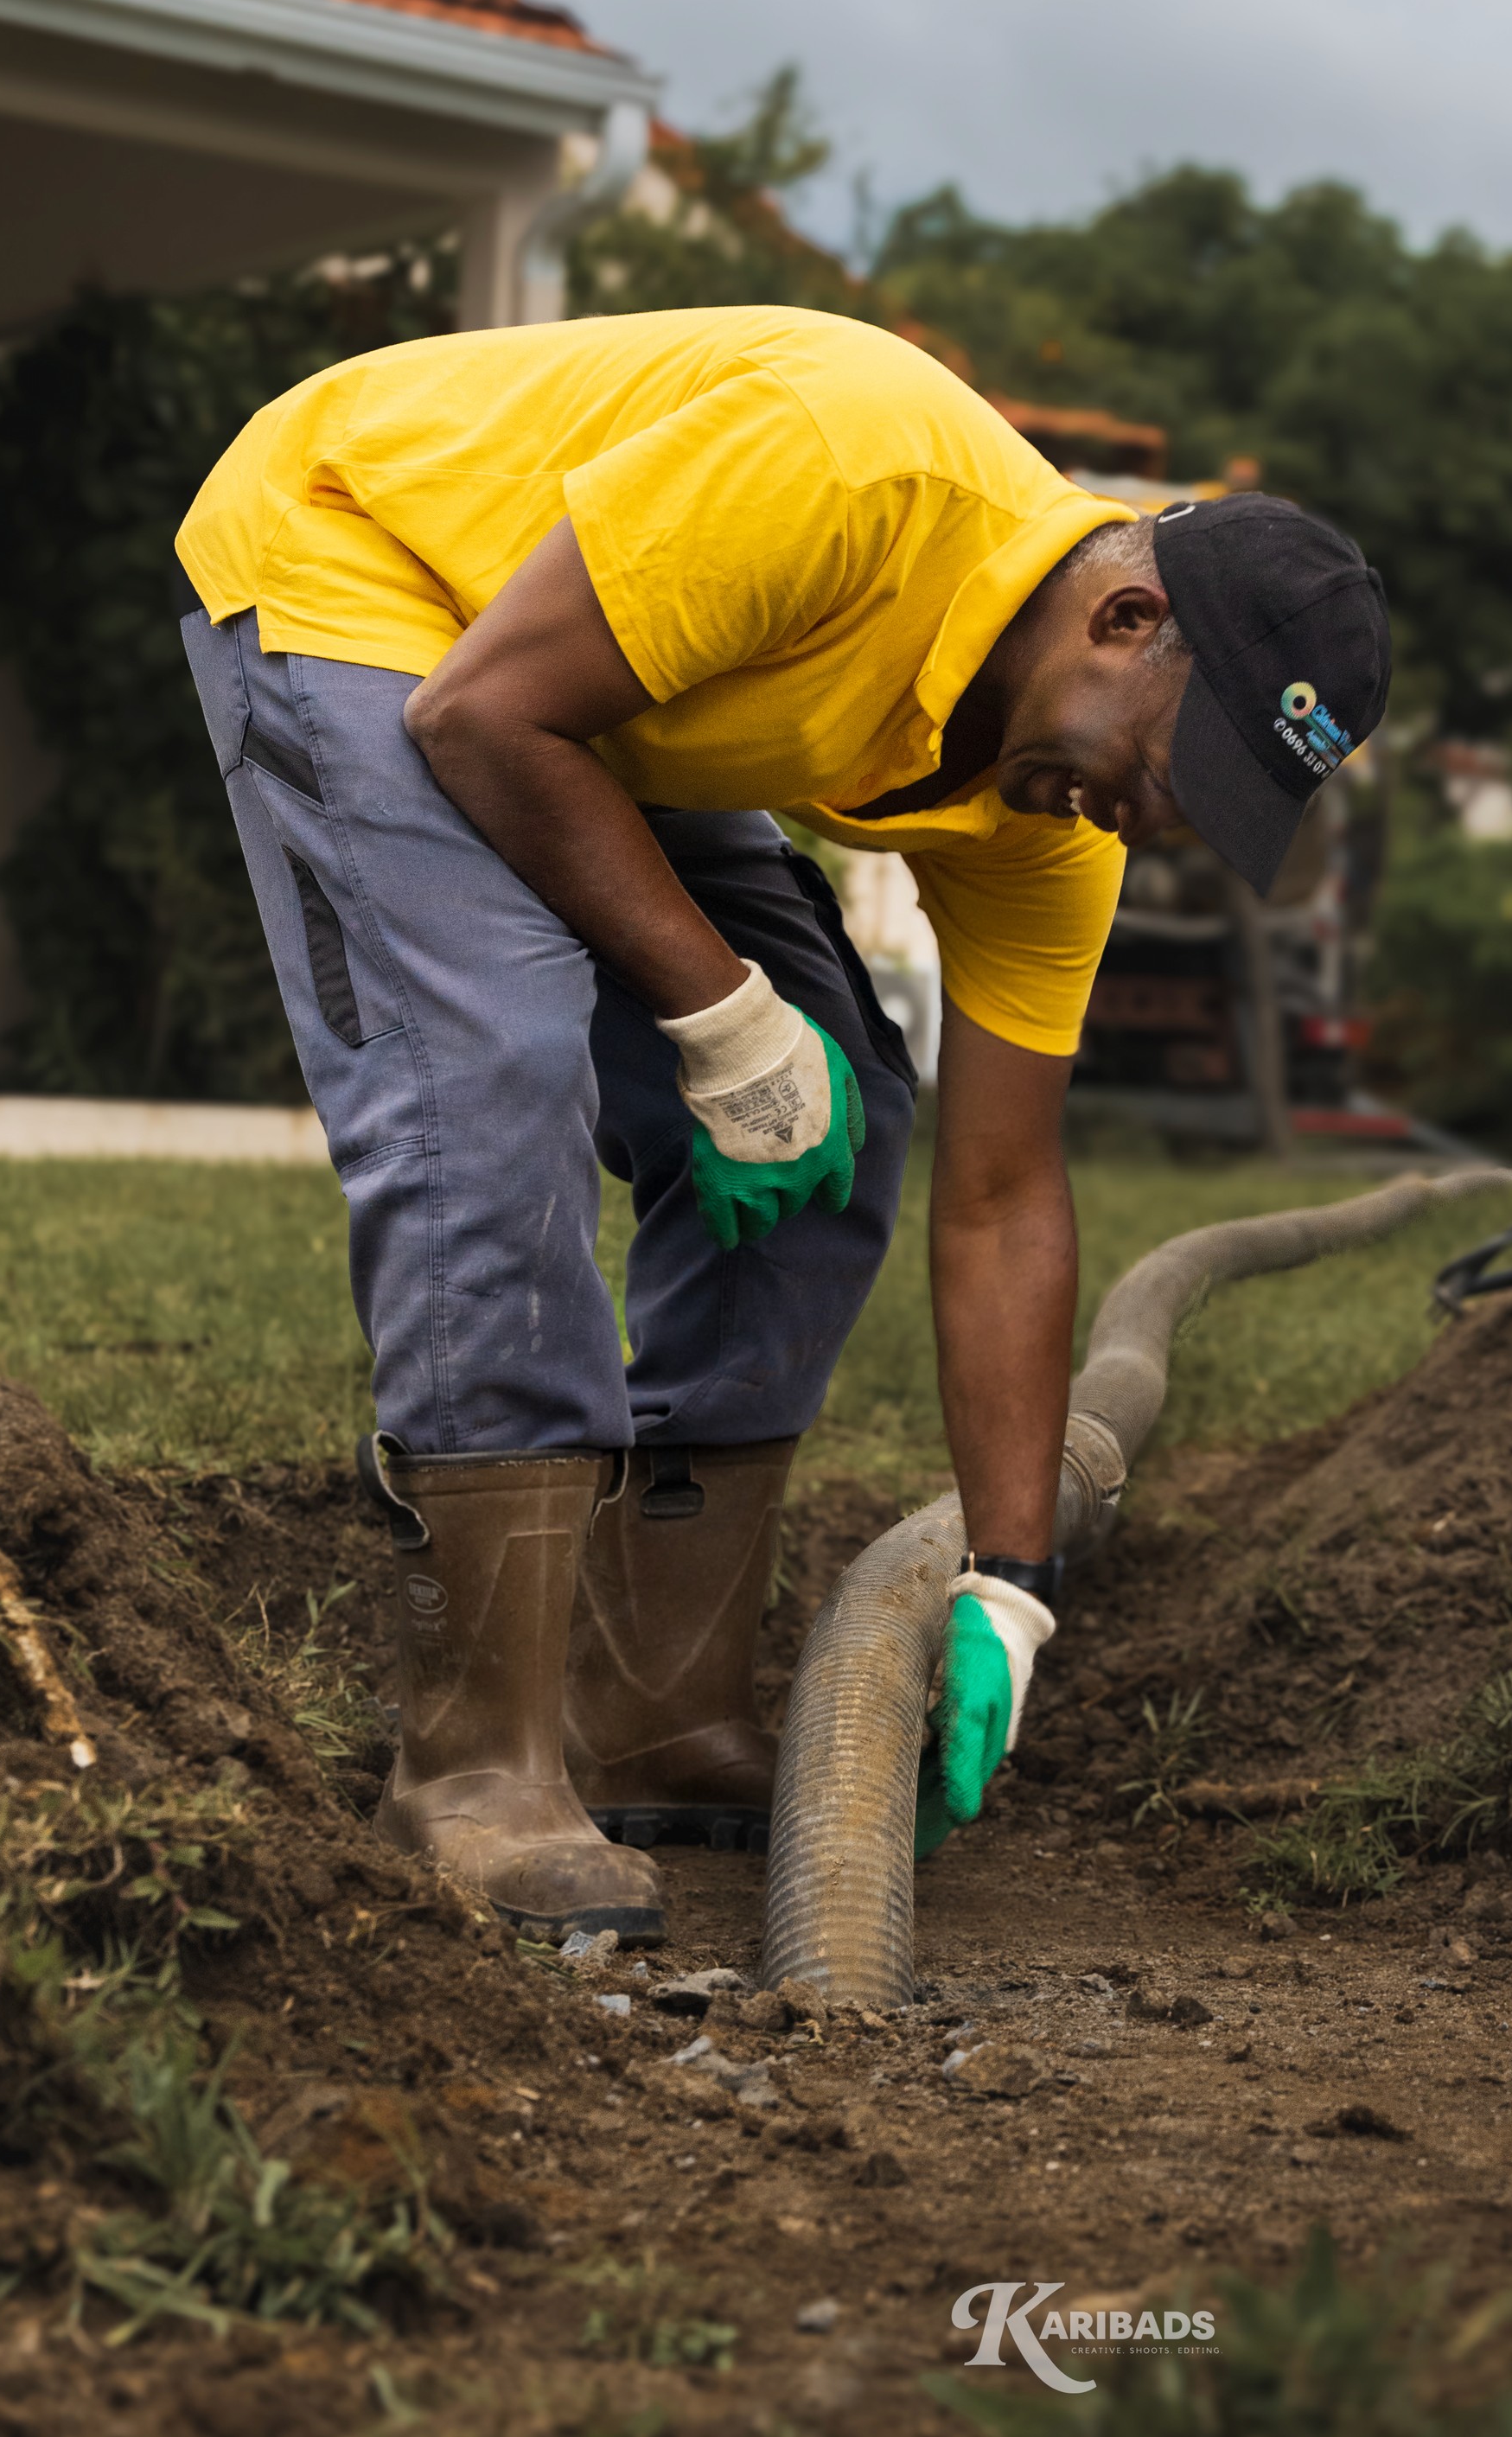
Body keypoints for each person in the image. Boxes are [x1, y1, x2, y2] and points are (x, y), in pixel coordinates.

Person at [175, 307, 1389, 1941]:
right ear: (1122, 614)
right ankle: (473, 1769)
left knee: (844, 1116)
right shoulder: (848, 468)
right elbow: (480, 718)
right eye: (1176, 771)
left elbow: (1004, 1190)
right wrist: (719, 1011)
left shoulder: (1049, 824)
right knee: (497, 1079)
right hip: (368, 562)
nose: (1150, 825)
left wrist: (1009, 1588)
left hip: (586, 682)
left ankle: (650, 1710)